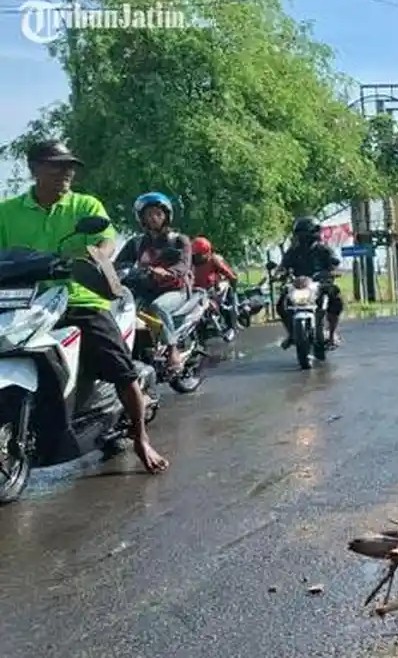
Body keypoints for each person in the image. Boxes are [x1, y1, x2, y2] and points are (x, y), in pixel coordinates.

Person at [0, 140, 167, 473]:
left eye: (70, 166)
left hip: (79, 297)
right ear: (34, 169)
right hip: (24, 301)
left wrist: (97, 256)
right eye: (57, 165)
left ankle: (141, 438)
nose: (67, 172)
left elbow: (105, 238)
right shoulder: (7, 211)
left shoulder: (85, 205)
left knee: (120, 367)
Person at [115, 191, 192, 374]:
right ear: (142, 218)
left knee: (158, 307)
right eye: (149, 214)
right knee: (123, 310)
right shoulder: (137, 243)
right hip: (146, 289)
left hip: (175, 290)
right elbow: (119, 263)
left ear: (166, 216)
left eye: (158, 213)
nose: (154, 218)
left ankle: (172, 350)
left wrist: (167, 272)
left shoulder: (178, 240)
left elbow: (184, 265)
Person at [275, 216, 343, 348]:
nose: (304, 236)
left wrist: (332, 272)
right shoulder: (293, 251)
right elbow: (283, 266)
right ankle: (292, 333)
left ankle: (331, 335)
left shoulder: (323, 249)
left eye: (306, 232)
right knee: (281, 304)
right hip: (298, 286)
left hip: (319, 284)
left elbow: (335, 264)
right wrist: (279, 274)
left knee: (336, 299)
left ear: (315, 232)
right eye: (301, 232)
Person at [192, 236, 239, 331]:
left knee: (227, 294)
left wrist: (232, 280)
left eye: (199, 254)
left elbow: (228, 273)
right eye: (197, 255)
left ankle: (232, 322)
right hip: (197, 292)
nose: (198, 257)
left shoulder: (212, 259)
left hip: (209, 290)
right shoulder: (191, 262)